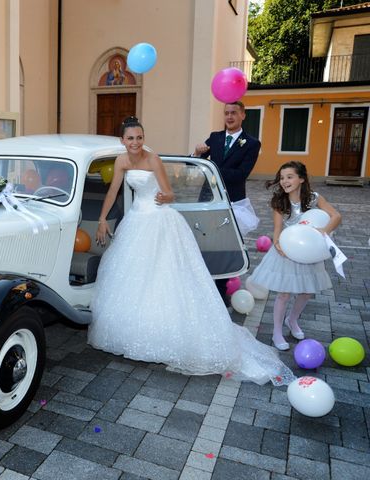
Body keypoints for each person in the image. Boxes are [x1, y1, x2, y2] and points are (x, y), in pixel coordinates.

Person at [89, 117, 294, 386]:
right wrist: (103, 219)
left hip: (159, 221)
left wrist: (165, 197)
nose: (136, 143)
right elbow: (113, 189)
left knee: (164, 277)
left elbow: (170, 193)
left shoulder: (153, 160)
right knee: (134, 277)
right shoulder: (121, 161)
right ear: (122, 141)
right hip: (136, 221)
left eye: (139, 137)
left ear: (143, 138)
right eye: (130, 138)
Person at [248, 161, 341, 350]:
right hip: (288, 250)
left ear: (301, 178)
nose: (284, 181)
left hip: (309, 252)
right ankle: (276, 332)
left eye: (289, 177)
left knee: (307, 291)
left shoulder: (315, 198)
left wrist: (323, 231)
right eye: (282, 178)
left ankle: (292, 320)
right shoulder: (279, 201)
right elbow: (277, 229)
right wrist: (279, 245)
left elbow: (336, 216)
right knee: (284, 293)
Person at [193, 101, 261, 305]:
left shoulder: (251, 143)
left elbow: (241, 175)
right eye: (226, 113)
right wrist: (197, 153)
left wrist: (212, 167)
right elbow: (196, 163)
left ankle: (220, 295)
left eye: (233, 113)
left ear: (242, 115)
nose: (229, 117)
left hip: (232, 202)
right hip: (207, 200)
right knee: (204, 243)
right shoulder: (215, 137)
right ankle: (203, 287)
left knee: (225, 247)